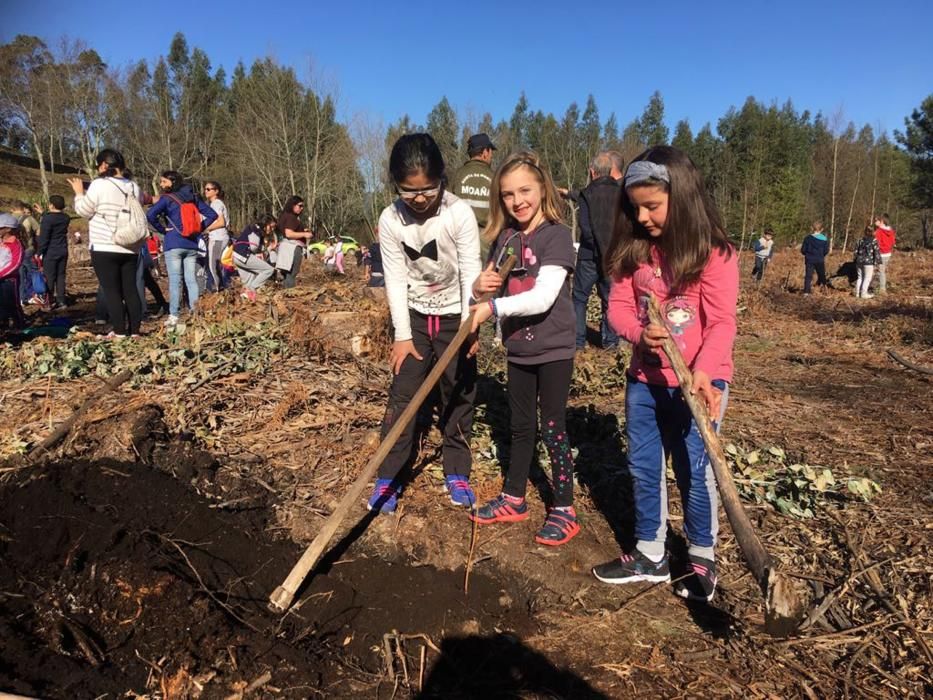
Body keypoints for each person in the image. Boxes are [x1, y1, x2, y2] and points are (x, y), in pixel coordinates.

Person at [590, 146, 738, 603]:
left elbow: (721, 324)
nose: (643, 216)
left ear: (684, 197)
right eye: (635, 207)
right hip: (646, 383)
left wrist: (705, 372)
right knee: (643, 466)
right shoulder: (634, 251)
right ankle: (651, 552)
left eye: (652, 205)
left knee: (696, 469)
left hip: (699, 385)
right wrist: (638, 333)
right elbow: (615, 307)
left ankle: (701, 556)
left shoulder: (714, 254)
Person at [468, 151, 580, 546]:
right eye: (508, 195)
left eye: (525, 191)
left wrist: (492, 307)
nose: (518, 201)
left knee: (552, 426)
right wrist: (479, 289)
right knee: (519, 426)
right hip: (518, 347)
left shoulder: (556, 235)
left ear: (542, 189)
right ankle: (514, 497)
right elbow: (489, 287)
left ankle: (564, 508)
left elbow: (543, 297)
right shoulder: (506, 238)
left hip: (553, 347)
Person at [368, 133, 482, 514]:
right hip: (416, 319)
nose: (418, 199)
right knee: (403, 395)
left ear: (442, 179)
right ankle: (389, 474)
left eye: (427, 190)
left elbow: (470, 270)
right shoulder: (391, 219)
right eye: (408, 191)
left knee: (458, 392)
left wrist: (470, 325)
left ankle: (457, 470)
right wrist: (402, 336)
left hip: (455, 317)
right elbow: (396, 278)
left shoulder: (458, 213)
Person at [68, 149, 145, 338]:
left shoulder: (99, 185)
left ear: (104, 165)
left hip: (104, 245)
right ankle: (134, 331)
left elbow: (84, 210)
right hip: (130, 245)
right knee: (130, 289)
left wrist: (79, 193)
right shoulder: (134, 187)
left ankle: (119, 331)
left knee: (111, 290)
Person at [146, 170, 217, 326]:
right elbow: (213, 215)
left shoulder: (166, 199)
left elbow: (150, 215)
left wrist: (163, 230)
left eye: (164, 181)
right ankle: (195, 312)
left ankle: (174, 315)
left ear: (172, 182)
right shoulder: (194, 197)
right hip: (192, 244)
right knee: (191, 280)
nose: (161, 184)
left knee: (175, 280)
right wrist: (198, 228)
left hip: (173, 243)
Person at [573, 151, 624, 350]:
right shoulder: (622, 193)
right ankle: (610, 342)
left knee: (579, 297)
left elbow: (585, 229)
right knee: (610, 299)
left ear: (592, 172)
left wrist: (596, 248)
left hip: (588, 256)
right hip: (613, 256)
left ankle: (578, 342)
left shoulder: (587, 193)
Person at [452, 133, 496, 256]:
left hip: (459, 239)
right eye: (491, 151)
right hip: (486, 241)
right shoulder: (495, 178)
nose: (491, 155)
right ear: (485, 152)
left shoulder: (457, 176)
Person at [233, 214, 277, 301]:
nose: (272, 230)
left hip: (236, 256)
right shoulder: (256, 231)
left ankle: (245, 301)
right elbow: (254, 247)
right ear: (265, 223)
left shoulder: (253, 228)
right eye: (271, 227)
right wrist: (265, 250)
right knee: (269, 270)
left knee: (249, 280)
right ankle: (251, 289)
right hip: (244, 255)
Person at [38, 194, 70, 309]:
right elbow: (55, 220)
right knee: (61, 276)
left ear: (51, 205)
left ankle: (49, 300)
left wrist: (39, 252)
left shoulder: (47, 219)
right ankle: (62, 301)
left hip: (51, 251)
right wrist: (44, 213)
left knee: (49, 277)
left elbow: (44, 237)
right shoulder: (66, 217)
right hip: (63, 249)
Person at [276, 196, 313, 288]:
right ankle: (289, 295)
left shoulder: (284, 216)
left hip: (285, 247)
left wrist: (302, 230)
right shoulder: (291, 217)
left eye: (303, 206)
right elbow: (289, 233)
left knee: (286, 273)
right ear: (293, 205)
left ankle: (284, 294)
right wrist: (305, 234)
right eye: (300, 206)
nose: (302, 208)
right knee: (292, 273)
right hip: (293, 248)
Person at [12, 201, 42, 305]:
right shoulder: (29, 218)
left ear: (12, 209)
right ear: (23, 208)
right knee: (33, 272)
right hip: (28, 249)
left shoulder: (8, 219)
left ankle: (21, 297)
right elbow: (39, 232)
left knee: (20, 275)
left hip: (15, 251)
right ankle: (35, 294)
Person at [0, 213, 26, 330]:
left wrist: (2, 274)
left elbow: (15, 264)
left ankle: (19, 324)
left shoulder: (15, 244)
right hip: (1, 278)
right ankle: (4, 324)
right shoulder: (2, 243)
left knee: (12, 303)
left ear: (8, 229)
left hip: (10, 279)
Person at [203, 181, 230, 292]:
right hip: (218, 237)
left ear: (216, 191)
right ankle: (221, 289)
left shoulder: (216, 203)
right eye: (205, 189)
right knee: (216, 265)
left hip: (218, 238)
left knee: (213, 265)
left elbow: (221, 222)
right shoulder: (216, 204)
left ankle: (218, 290)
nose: (206, 191)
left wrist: (205, 228)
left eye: (209, 189)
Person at [800, 221, 830, 294]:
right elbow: (826, 250)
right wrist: (821, 255)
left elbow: (803, 250)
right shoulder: (824, 239)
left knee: (808, 276)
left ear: (811, 228)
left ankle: (806, 292)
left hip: (809, 259)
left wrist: (806, 254)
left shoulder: (807, 238)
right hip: (819, 259)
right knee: (822, 274)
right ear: (822, 229)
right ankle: (825, 289)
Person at [854, 225, 882, 299]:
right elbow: (876, 252)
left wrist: (855, 259)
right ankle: (863, 294)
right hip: (868, 263)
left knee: (860, 278)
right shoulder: (874, 240)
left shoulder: (860, 240)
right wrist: (878, 262)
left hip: (859, 261)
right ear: (872, 231)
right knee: (867, 278)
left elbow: (855, 251)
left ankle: (857, 294)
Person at [873, 214, 896, 294]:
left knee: (881, 272)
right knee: (882, 271)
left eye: (876, 220)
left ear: (881, 221)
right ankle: (879, 287)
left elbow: (875, 244)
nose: (874, 222)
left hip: (881, 254)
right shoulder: (891, 231)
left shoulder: (878, 231)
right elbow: (893, 242)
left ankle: (882, 290)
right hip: (888, 254)